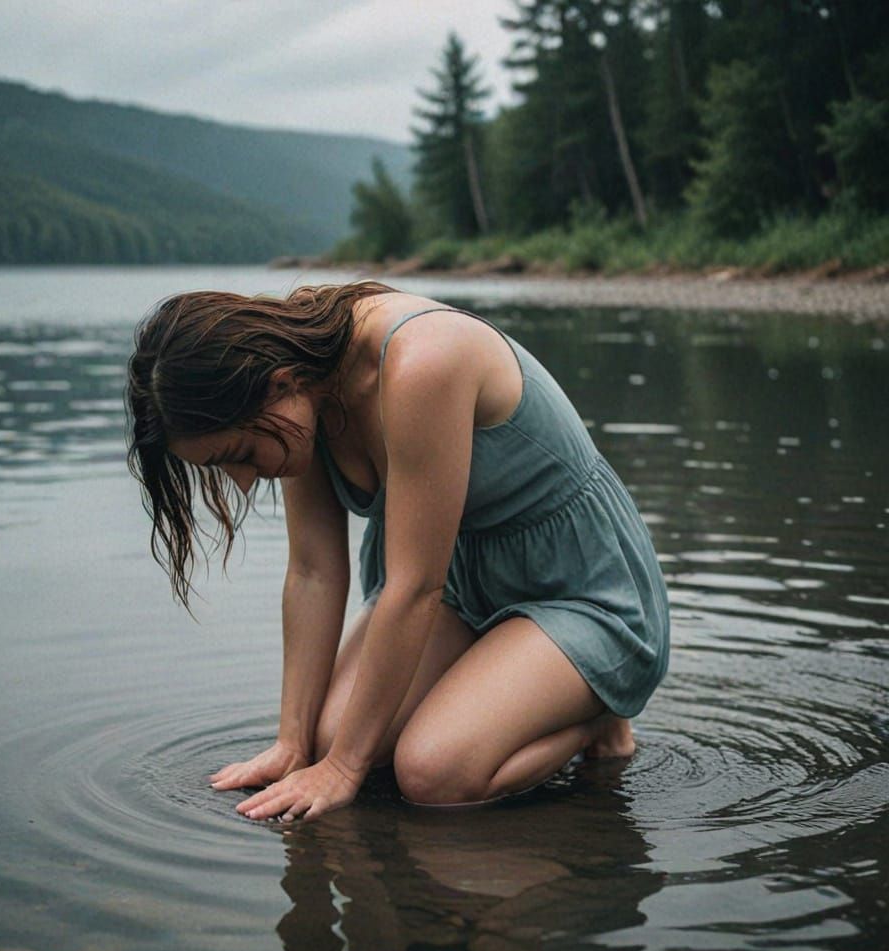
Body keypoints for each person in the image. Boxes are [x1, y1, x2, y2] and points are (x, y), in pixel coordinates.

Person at [126, 281, 669, 823]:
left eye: (242, 453)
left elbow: (414, 588)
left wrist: (343, 769)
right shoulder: (302, 395)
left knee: (432, 776)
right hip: (460, 588)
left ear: (280, 383)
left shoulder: (421, 362)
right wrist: (292, 743)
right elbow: (314, 573)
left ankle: (599, 717)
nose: (244, 481)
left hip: (577, 589)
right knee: (330, 737)